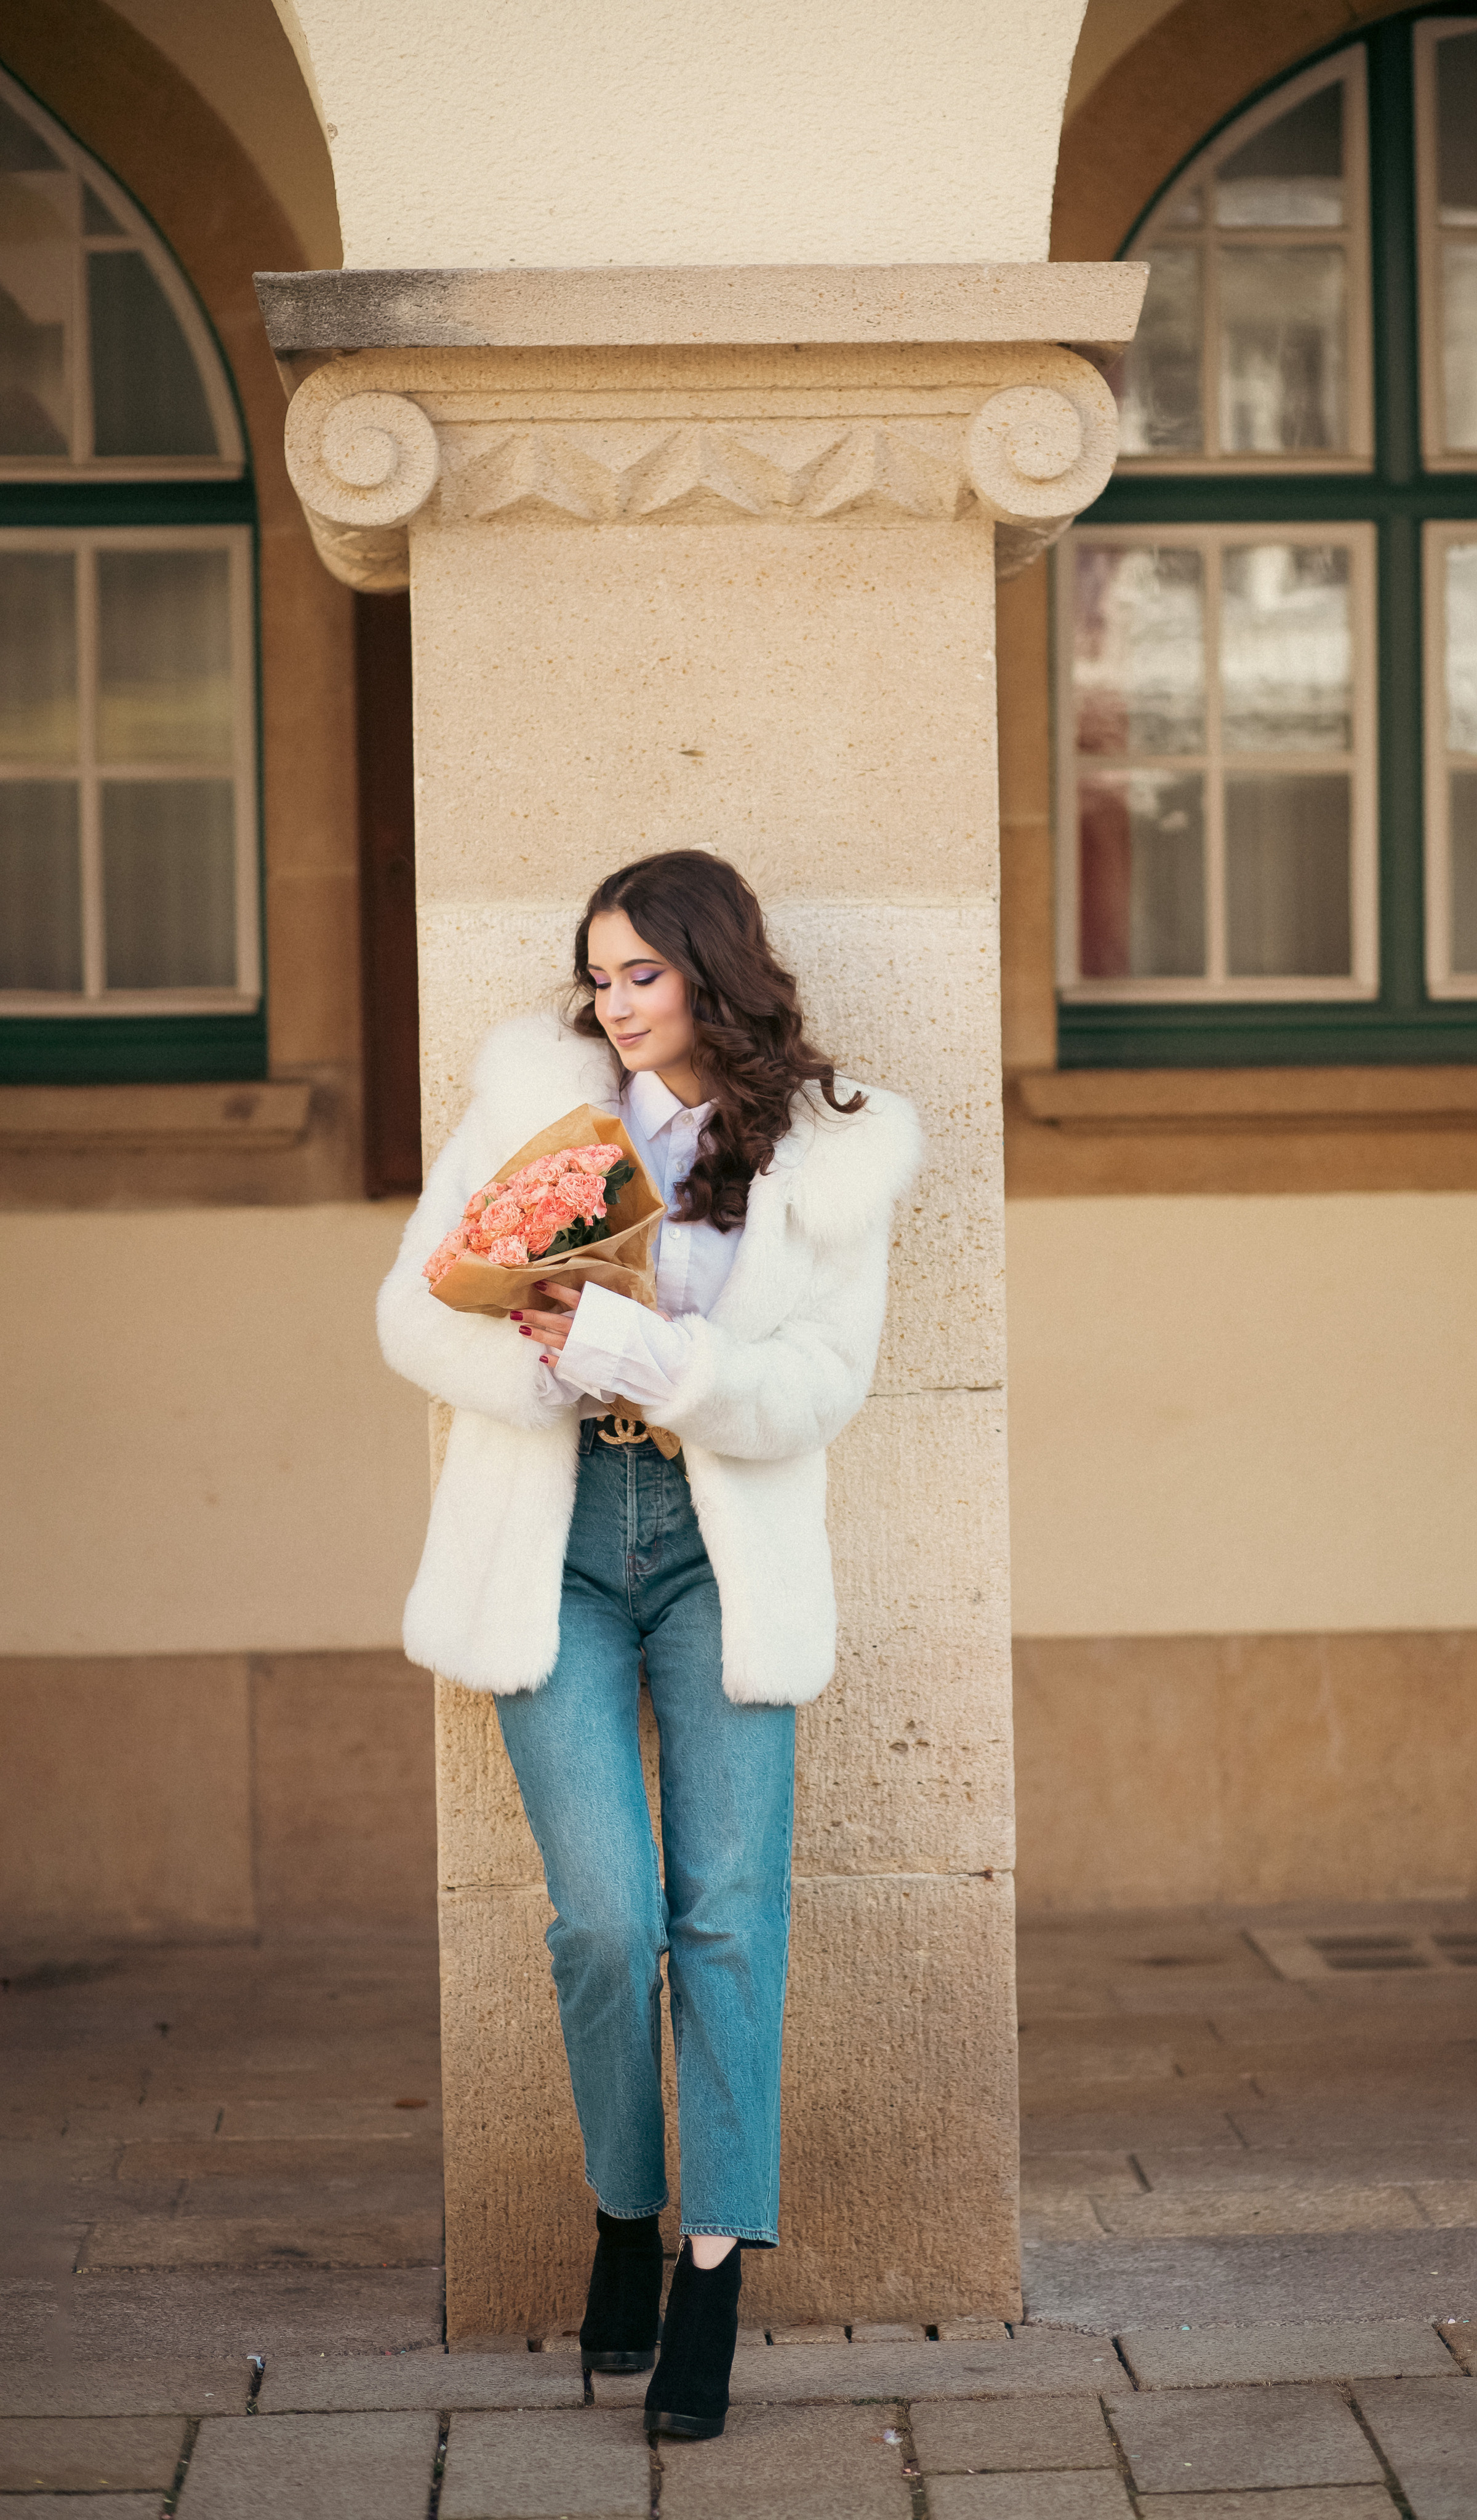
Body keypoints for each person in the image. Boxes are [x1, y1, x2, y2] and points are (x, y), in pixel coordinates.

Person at [378, 850, 920, 2439]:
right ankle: (622, 2202)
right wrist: (546, 1371)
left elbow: (825, 1385)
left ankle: (707, 2272)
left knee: (730, 1920)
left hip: (717, 1549)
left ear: (713, 971)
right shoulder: (538, 1105)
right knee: (609, 1921)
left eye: (644, 974)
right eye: (598, 975)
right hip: (554, 1539)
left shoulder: (832, 1149)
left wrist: (665, 1365)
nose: (613, 1006)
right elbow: (412, 1312)